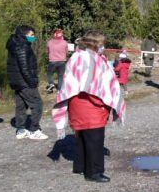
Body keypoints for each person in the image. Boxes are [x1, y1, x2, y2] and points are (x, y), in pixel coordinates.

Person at [52, 30, 125, 183]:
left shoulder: (76, 57)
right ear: (96, 44)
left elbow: (69, 82)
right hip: (92, 104)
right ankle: (94, 172)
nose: (103, 47)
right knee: (95, 140)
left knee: (82, 138)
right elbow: (100, 84)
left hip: (76, 104)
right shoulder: (93, 60)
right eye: (102, 43)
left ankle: (80, 166)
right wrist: (106, 102)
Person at [6, 25, 47, 140]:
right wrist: (32, 81)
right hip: (24, 82)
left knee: (21, 106)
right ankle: (34, 129)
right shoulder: (22, 46)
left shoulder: (15, 44)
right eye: (31, 35)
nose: (33, 37)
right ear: (24, 34)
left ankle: (21, 129)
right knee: (37, 104)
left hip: (16, 81)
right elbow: (24, 67)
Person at [46, 29, 68, 93]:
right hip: (62, 61)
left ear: (54, 35)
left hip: (52, 61)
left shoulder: (49, 42)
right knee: (61, 76)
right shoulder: (65, 42)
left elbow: (47, 52)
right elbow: (66, 52)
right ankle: (59, 90)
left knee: (49, 74)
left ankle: (51, 83)